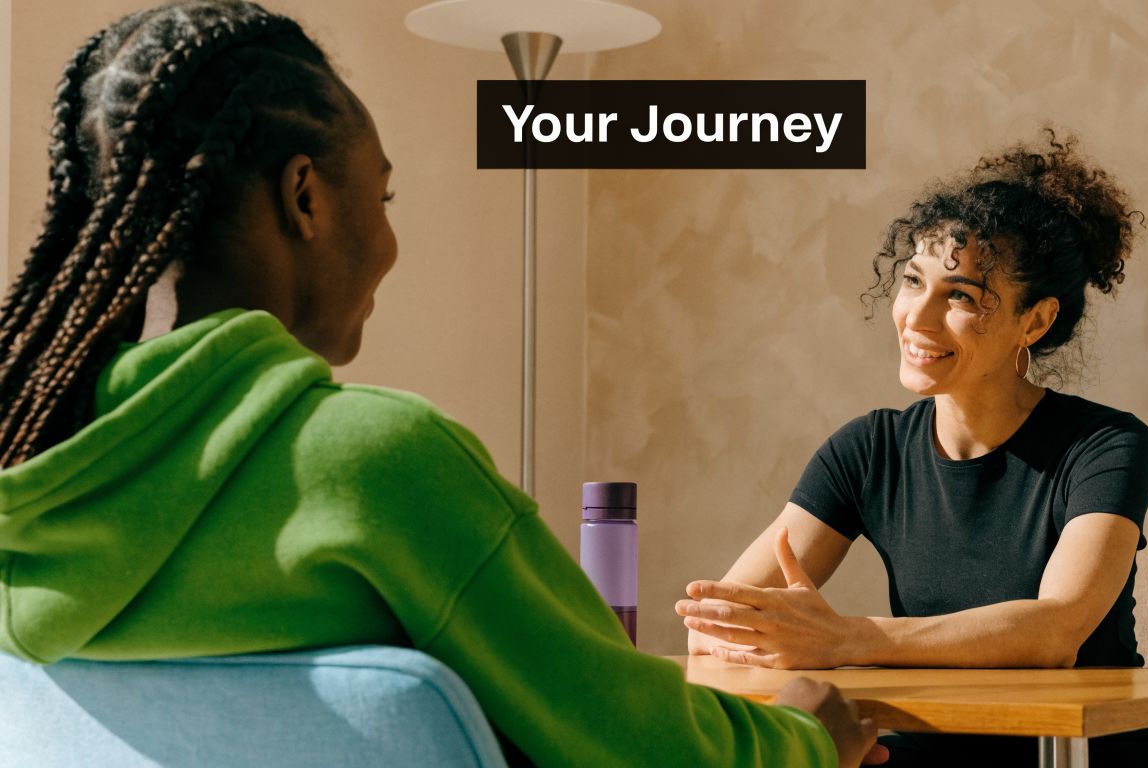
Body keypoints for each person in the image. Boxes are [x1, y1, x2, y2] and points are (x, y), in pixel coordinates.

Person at [0, 2, 887, 766]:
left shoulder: (31, 483)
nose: (387, 244)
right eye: (381, 200)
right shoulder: (375, 466)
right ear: (304, 198)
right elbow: (636, 744)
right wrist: (806, 738)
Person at [676, 134, 1148, 766]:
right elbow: (718, 621)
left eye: (961, 296)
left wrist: (845, 639)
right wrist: (752, 633)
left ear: (1035, 321)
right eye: (914, 280)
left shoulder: (1105, 447)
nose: (917, 317)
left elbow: (1055, 630)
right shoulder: (868, 450)